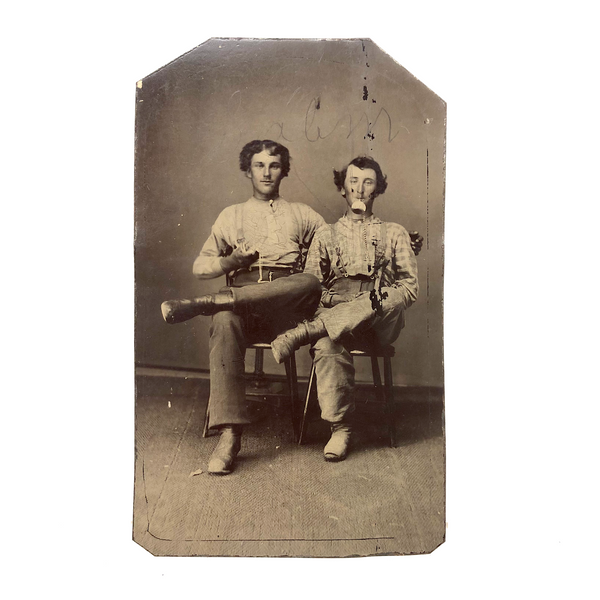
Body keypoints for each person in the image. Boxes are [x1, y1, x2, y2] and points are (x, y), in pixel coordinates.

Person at [161, 140, 326, 475]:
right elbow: (200, 267)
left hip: (288, 310)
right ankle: (230, 436)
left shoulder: (303, 213)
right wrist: (232, 260)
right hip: (246, 305)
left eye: (274, 165)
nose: (266, 172)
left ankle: (203, 304)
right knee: (224, 321)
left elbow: (331, 255)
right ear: (247, 170)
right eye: (259, 165)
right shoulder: (231, 215)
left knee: (309, 281)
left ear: (284, 170)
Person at [270, 156, 419, 462]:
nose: (360, 189)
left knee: (387, 297)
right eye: (353, 181)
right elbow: (312, 287)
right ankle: (341, 428)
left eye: (368, 182)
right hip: (336, 316)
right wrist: (339, 303)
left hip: (380, 323)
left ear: (377, 189)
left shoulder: (395, 232)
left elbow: (409, 287)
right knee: (326, 344)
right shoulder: (325, 234)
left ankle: (305, 332)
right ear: (343, 188)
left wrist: (370, 302)